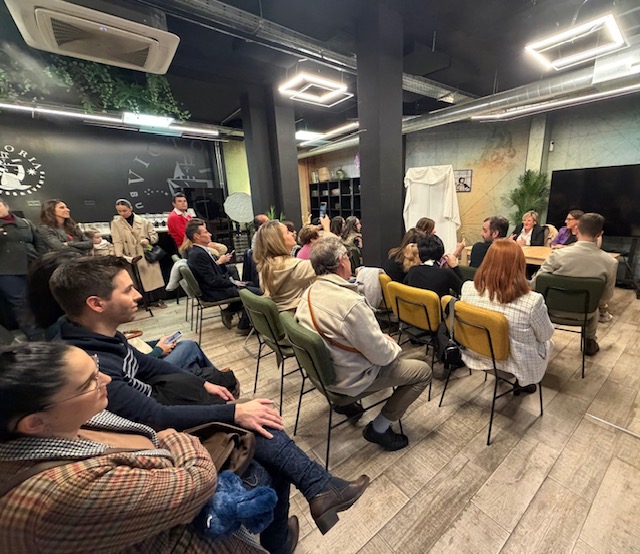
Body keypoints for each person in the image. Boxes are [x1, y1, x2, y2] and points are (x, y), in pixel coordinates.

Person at [0, 342, 369, 552]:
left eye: (96, 368)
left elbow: (152, 385)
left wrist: (197, 401)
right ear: (34, 423)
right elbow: (190, 474)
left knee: (257, 428)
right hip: (191, 530)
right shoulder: (58, 493)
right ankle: (310, 501)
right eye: (89, 382)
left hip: (173, 483)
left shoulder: (74, 419)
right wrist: (182, 437)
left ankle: (303, 510)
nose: (107, 379)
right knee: (266, 449)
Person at [296, 236, 432, 451]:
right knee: (422, 372)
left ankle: (348, 406)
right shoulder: (351, 303)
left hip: (325, 373)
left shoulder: (309, 292)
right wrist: (391, 344)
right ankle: (379, 428)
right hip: (350, 378)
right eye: (347, 256)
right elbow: (382, 356)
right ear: (342, 261)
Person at [460, 239, 554, 393]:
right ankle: (524, 382)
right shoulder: (532, 301)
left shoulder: (468, 289)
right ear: (520, 265)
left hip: (477, 354)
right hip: (515, 365)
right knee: (547, 342)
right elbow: (546, 335)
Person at [531, 213, 618, 356]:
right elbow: (605, 297)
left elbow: (537, 284)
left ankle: (537, 338)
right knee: (594, 307)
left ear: (576, 229)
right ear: (599, 234)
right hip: (585, 313)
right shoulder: (610, 262)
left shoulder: (557, 255)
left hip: (550, 310)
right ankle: (589, 340)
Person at [186, 218, 257, 334]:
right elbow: (213, 280)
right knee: (254, 291)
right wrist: (235, 283)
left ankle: (234, 312)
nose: (210, 234)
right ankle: (244, 325)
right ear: (197, 236)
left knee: (246, 282)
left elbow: (213, 274)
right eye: (205, 232)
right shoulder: (198, 254)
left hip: (213, 287)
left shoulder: (200, 251)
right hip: (213, 292)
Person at [253, 218, 329, 312]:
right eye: (287, 232)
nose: (292, 233)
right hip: (300, 314)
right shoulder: (295, 267)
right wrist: (327, 229)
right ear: (278, 241)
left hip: (284, 315)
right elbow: (330, 258)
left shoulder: (265, 266)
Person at [0, 199, 45, 336]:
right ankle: (35, 334)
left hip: (33, 265)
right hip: (7, 270)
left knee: (39, 297)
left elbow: (39, 242)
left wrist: (41, 258)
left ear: (6, 206)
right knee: (20, 302)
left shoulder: (25, 223)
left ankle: (47, 327)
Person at [111, 199, 167, 309]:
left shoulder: (143, 221)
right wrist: (119, 255)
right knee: (135, 279)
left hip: (145, 253)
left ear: (131, 209)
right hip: (130, 255)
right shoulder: (116, 224)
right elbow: (117, 241)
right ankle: (143, 302)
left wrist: (148, 240)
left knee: (152, 278)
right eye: (119, 211)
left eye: (124, 210)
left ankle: (158, 300)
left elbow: (154, 237)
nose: (122, 213)